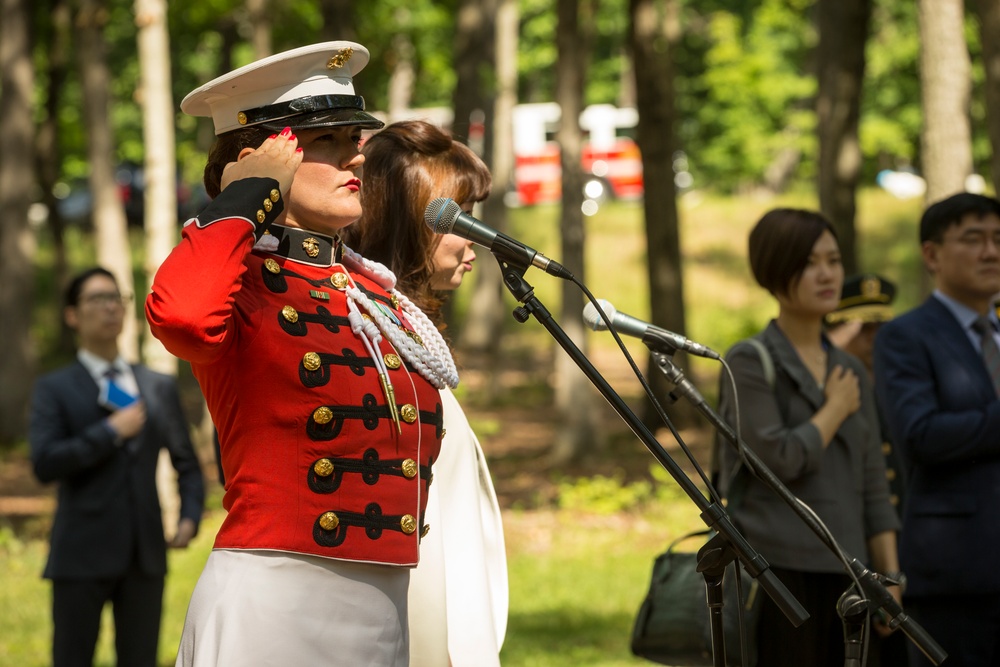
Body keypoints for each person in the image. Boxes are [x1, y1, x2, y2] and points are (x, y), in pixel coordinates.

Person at [146, 42, 460, 665]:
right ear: (262, 160)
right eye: (326, 141)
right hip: (275, 597)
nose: (357, 156)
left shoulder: (371, 291)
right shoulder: (242, 279)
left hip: (383, 600)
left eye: (356, 138)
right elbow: (183, 318)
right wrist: (245, 194)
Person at [347, 119, 507, 666]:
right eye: (459, 218)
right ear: (414, 221)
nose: (474, 242)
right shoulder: (362, 329)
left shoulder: (404, 329)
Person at [716, 209, 902, 667]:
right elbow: (777, 460)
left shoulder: (850, 367)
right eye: (809, 262)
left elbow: (873, 482)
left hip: (854, 577)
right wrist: (835, 409)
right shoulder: (749, 361)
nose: (827, 274)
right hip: (780, 580)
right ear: (775, 269)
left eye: (834, 260)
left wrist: (891, 575)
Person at [29, 266, 205, 667]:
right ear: (72, 315)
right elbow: (44, 463)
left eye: (117, 299)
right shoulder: (54, 389)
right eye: (96, 299)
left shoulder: (156, 386)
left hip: (144, 557)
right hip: (80, 556)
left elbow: (187, 463)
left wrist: (189, 517)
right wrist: (108, 432)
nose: (110, 307)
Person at [873, 192, 1000, 667]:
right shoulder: (906, 336)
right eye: (974, 239)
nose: (991, 252)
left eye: (998, 239)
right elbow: (920, 435)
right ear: (932, 254)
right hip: (957, 575)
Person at [826, 273, 909, 666]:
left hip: (900, 543)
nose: (875, 339)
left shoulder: (898, 382)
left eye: (882, 327)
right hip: (846, 549)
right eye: (863, 328)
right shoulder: (827, 381)